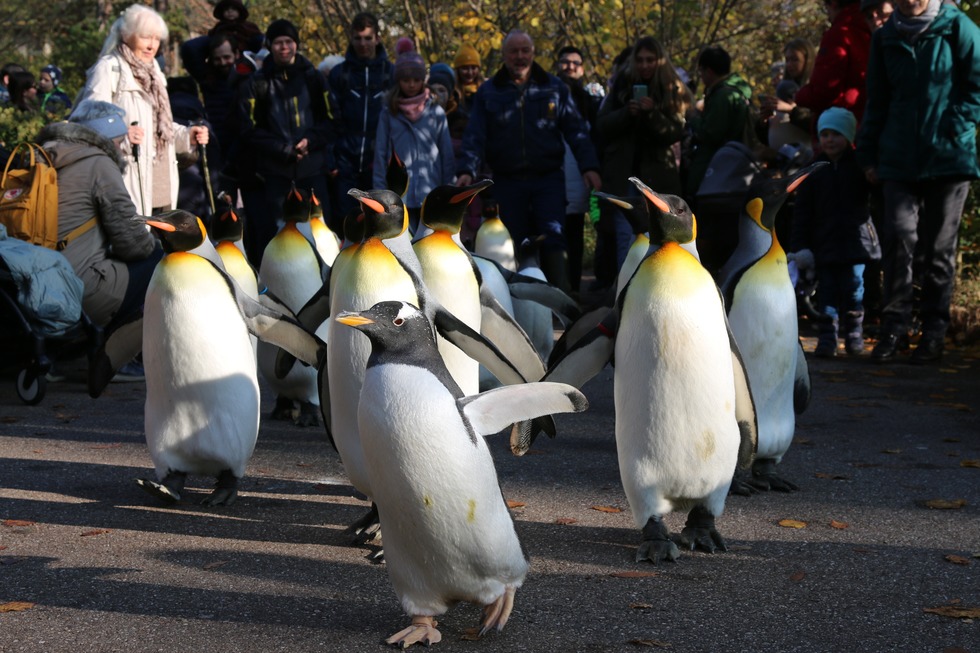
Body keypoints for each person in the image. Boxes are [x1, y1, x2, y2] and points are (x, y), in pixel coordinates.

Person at [856, 0, 980, 365]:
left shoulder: (958, 27)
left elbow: (976, 86)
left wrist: (954, 126)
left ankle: (934, 333)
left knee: (939, 250)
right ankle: (894, 328)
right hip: (898, 159)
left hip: (949, 158)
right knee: (898, 238)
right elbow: (876, 100)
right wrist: (868, 155)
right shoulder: (885, 37)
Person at [456, 30, 601, 292]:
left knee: (554, 237)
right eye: (514, 51)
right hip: (507, 182)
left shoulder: (554, 87)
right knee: (511, 243)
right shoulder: (489, 92)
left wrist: (589, 167)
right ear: (504, 55)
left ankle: (562, 307)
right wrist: (466, 169)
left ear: (533, 54)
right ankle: (515, 306)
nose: (519, 56)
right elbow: (475, 136)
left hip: (548, 179)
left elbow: (576, 131)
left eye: (525, 51)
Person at [37, 100, 161, 330]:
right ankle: (117, 354)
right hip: (76, 285)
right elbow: (133, 244)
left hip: (29, 281)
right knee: (159, 263)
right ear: (110, 139)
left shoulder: (40, 155)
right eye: (119, 141)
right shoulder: (98, 163)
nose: (122, 147)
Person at [78, 4, 209, 216]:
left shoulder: (155, 72)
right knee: (133, 243)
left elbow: (158, 127)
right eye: (145, 37)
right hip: (128, 178)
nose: (151, 45)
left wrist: (187, 135)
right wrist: (121, 134)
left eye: (156, 39)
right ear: (127, 35)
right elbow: (87, 121)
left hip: (160, 182)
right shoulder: (109, 68)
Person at [236, 19, 334, 264]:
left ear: (296, 44)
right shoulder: (257, 83)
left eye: (289, 42)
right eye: (278, 42)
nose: (284, 47)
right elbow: (247, 128)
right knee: (279, 237)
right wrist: (282, 150)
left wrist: (309, 141)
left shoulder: (314, 78)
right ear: (269, 45)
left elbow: (332, 119)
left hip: (312, 169)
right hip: (275, 173)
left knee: (320, 234)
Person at [791, 108, 880, 358]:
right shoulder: (814, 170)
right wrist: (800, 247)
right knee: (827, 293)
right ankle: (827, 340)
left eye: (836, 134)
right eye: (825, 134)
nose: (829, 140)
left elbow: (876, 199)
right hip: (825, 244)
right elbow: (802, 213)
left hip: (856, 243)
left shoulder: (861, 165)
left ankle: (854, 336)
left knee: (854, 289)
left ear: (849, 136)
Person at [596, 36, 690, 269]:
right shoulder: (621, 85)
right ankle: (623, 291)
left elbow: (675, 131)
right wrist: (627, 112)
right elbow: (602, 125)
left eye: (650, 60)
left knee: (660, 237)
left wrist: (652, 113)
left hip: (658, 177)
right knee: (624, 236)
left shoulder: (671, 87)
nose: (645, 65)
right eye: (640, 60)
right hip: (623, 176)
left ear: (660, 61)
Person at [372, 49, 454, 233]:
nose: (411, 85)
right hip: (398, 198)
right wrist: (380, 194)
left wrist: (448, 192)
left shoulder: (436, 112)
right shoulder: (388, 114)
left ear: (423, 80)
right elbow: (380, 154)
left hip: (431, 194)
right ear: (398, 80)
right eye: (406, 80)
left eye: (416, 80)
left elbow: (446, 155)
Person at [327, 12, 392, 227]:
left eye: (367, 38)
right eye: (358, 38)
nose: (363, 43)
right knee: (348, 221)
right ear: (351, 39)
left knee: (379, 222)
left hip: (379, 160)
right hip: (346, 160)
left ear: (377, 38)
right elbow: (329, 118)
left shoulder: (390, 73)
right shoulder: (339, 74)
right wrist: (332, 159)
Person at [556, 44, 602, 292]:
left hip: (580, 180)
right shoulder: (549, 96)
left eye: (575, 63)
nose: (570, 67)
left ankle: (572, 288)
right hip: (552, 178)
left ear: (583, 69)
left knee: (575, 234)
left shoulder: (591, 103)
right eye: (565, 62)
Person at [794, 0, 871, 142]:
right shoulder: (874, 28)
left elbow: (824, 91)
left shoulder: (839, 34)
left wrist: (798, 96)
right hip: (869, 125)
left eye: (826, 7)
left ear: (833, 4)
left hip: (841, 131)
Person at [686, 45, 753, 198]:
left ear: (709, 71)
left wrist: (693, 118)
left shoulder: (723, 96)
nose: (701, 77)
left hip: (715, 168)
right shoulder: (737, 90)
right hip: (732, 165)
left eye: (701, 71)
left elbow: (711, 133)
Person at [453, 43, 483, 113]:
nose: (470, 72)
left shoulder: (486, 91)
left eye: (473, 68)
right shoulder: (452, 95)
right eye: (465, 68)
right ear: (457, 70)